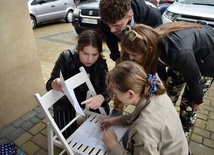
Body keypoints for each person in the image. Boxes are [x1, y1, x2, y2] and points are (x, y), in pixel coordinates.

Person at [120, 21, 214, 134]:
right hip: (184, 57)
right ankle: (162, 121)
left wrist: (199, 100)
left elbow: (195, 79)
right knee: (169, 91)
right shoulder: (152, 41)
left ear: (149, 50)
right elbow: (158, 69)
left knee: (189, 104)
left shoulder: (177, 53)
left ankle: (182, 135)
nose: (131, 58)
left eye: (134, 55)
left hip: (206, 61)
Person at [100, 60, 189, 155]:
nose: (116, 96)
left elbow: (144, 123)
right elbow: (141, 115)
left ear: (130, 94)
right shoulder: (155, 92)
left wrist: (114, 146)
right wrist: (118, 119)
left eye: (116, 93)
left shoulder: (143, 129)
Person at [46, 30, 110, 138]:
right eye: (85, 54)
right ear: (78, 49)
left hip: (90, 100)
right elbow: (49, 84)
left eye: (94, 54)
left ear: (99, 53)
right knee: (68, 136)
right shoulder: (66, 58)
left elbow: (108, 88)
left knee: (100, 130)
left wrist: (103, 97)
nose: (90, 59)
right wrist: (54, 83)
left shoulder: (100, 62)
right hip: (67, 102)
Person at [99, 0, 162, 65]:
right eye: (108, 24)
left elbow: (157, 48)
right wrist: (117, 57)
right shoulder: (105, 18)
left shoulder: (153, 18)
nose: (112, 30)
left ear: (129, 16)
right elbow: (109, 37)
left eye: (117, 25)